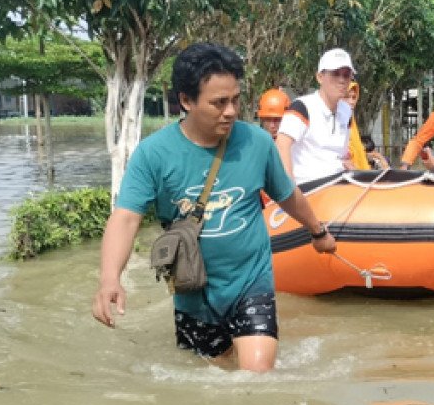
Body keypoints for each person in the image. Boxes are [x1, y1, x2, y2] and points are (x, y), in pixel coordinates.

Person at [93, 43, 337, 372]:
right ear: (186, 100)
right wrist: (110, 280)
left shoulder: (257, 143)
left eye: (235, 99)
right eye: (218, 103)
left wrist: (317, 230)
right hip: (194, 292)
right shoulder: (154, 154)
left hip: (251, 282)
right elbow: (125, 218)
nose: (231, 111)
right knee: (215, 379)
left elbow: (287, 195)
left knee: (256, 376)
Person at [276, 48, 355, 184]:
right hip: (308, 189)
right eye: (335, 74)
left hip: (339, 187)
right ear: (320, 77)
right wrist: (291, 191)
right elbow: (281, 146)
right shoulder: (302, 107)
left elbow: (341, 155)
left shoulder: (346, 111)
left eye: (346, 75)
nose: (342, 80)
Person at [344, 80, 371, 171]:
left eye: (354, 97)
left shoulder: (351, 121)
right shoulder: (332, 121)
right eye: (347, 97)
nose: (351, 102)